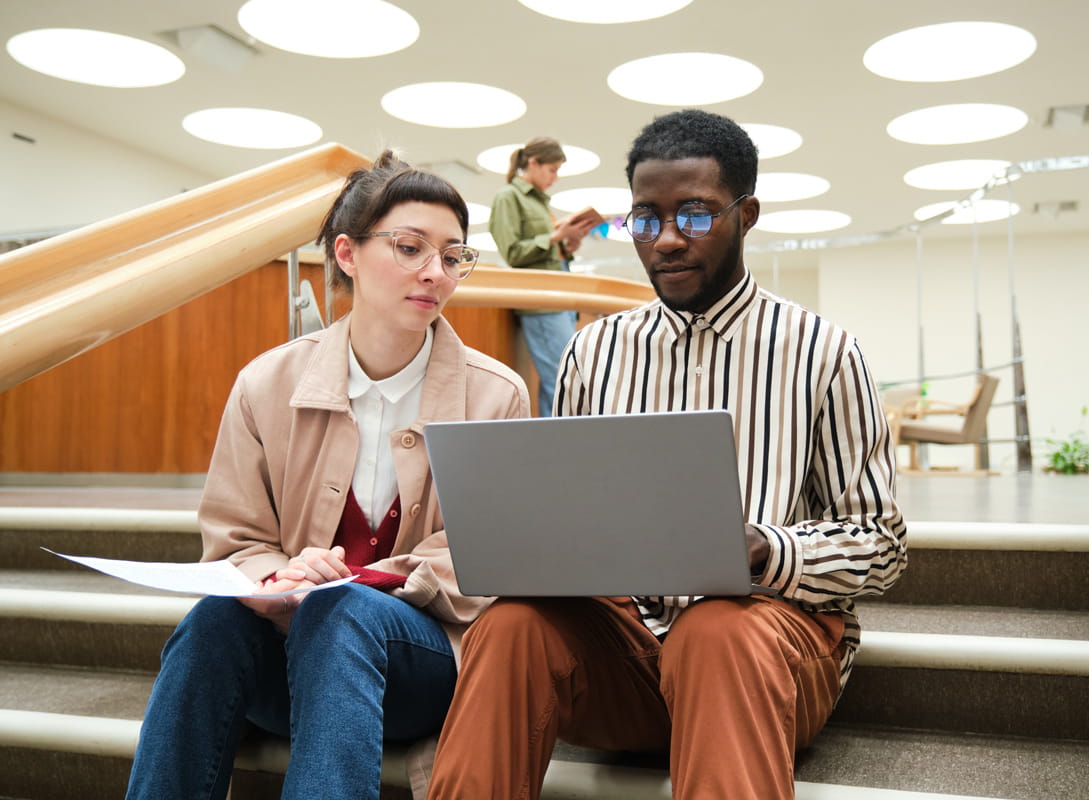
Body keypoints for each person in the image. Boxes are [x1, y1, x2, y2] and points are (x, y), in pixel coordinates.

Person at [425, 110, 907, 800]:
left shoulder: (825, 352)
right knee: (510, 625)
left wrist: (764, 549)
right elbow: (576, 515)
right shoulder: (595, 351)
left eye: (697, 215)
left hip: (763, 657)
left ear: (747, 215)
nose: (667, 241)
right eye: (645, 220)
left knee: (715, 629)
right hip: (628, 657)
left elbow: (881, 547)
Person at [125, 152, 530, 800]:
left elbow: (486, 560)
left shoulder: (496, 394)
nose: (435, 272)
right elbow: (236, 545)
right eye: (409, 247)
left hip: (420, 669)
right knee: (211, 625)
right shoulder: (265, 384)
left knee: (342, 612)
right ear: (346, 253)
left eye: (453, 256)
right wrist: (279, 581)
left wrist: (356, 581)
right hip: (289, 656)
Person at [489, 136, 594, 416]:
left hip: (558, 299)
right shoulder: (508, 197)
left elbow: (545, 251)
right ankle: (560, 445)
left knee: (559, 378)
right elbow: (513, 253)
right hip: (541, 302)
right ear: (533, 163)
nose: (555, 177)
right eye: (552, 169)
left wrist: (567, 245)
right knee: (563, 379)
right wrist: (555, 236)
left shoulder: (539, 203)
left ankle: (558, 441)